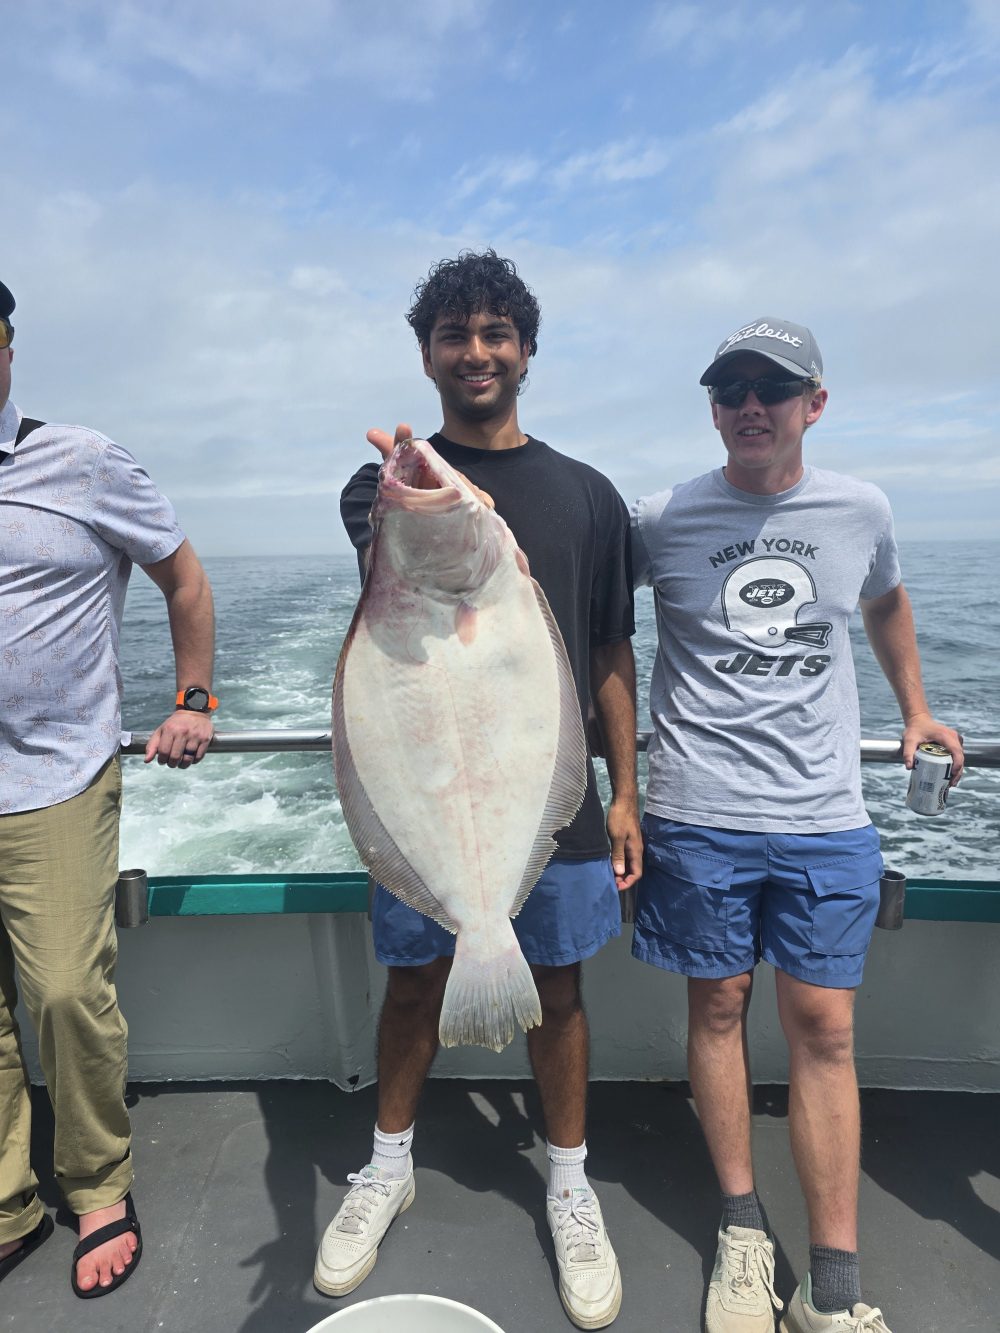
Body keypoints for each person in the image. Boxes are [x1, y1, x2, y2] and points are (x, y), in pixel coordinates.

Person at [323, 250, 642, 1329]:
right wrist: (405, 483)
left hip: (541, 791)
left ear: (525, 351)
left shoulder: (590, 497)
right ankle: (386, 1165)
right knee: (413, 985)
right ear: (426, 355)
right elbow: (394, 544)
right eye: (454, 334)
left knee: (557, 993)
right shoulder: (385, 490)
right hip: (429, 788)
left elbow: (606, 652)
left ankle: (567, 1181)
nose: (477, 351)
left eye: (496, 332)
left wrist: (626, 790)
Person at [630, 317, 964, 1333]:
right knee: (719, 1009)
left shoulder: (860, 508)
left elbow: (887, 600)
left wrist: (915, 708)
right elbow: (575, 601)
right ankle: (739, 1231)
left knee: (824, 1027)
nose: (747, 406)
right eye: (728, 388)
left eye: (770, 388)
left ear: (813, 404)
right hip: (694, 809)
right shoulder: (663, 517)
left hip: (824, 815)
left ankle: (832, 1281)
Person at [0, 278, 217, 1297]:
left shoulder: (80, 460)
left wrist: (194, 696)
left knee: (61, 991)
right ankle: (7, 1199)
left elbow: (182, 575)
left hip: (51, 773)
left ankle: (98, 1186)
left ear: (6, 347)